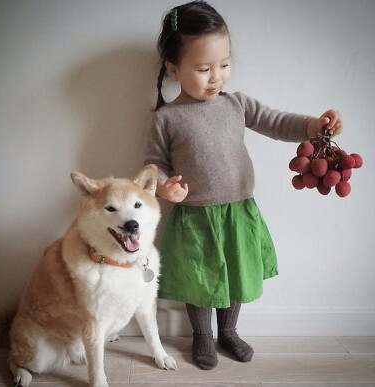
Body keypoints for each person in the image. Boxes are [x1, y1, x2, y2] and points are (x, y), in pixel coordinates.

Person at [144, 1, 343, 370]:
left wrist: (314, 125)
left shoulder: (237, 104)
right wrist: (161, 187)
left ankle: (228, 332)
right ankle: (202, 335)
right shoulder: (168, 117)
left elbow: (276, 121)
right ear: (173, 68)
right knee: (200, 279)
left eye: (224, 65)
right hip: (196, 216)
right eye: (204, 69)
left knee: (235, 271)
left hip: (239, 210)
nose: (216, 77)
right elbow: (153, 164)